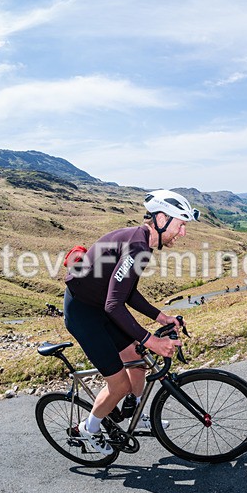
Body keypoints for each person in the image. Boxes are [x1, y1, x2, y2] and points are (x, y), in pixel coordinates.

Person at [63, 189, 198, 456]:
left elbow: (127, 292)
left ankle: (135, 414)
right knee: (120, 385)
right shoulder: (137, 246)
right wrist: (154, 340)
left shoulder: (143, 243)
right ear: (161, 219)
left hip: (101, 306)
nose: (182, 233)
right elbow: (114, 304)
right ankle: (89, 429)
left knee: (137, 363)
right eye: (180, 225)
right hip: (84, 314)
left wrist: (162, 317)